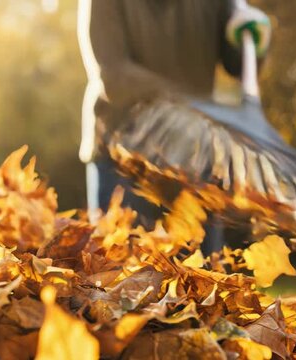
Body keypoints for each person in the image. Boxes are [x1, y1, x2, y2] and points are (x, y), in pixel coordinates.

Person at [77, 0, 272, 225]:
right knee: (117, 255)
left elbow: (237, 64)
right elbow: (114, 76)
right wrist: (192, 107)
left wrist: (252, 42)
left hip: (195, 159)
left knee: (199, 259)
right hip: (123, 153)